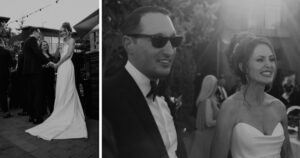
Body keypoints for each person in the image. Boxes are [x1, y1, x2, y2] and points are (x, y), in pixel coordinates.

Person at [103, 6, 187, 158]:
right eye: (158, 40)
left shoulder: (162, 92)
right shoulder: (107, 99)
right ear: (129, 44)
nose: (170, 51)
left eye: (175, 40)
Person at [211, 32, 293, 158]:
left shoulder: (279, 107)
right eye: (260, 59)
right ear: (243, 67)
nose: (269, 65)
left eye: (272, 59)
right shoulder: (230, 108)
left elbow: (288, 154)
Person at [25, 22, 87, 140]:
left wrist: (57, 64)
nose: (61, 33)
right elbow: (57, 55)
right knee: (60, 90)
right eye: (60, 32)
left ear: (68, 31)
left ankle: (70, 114)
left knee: (68, 90)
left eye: (63, 31)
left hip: (67, 66)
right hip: (61, 68)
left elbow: (68, 55)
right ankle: (60, 113)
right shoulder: (63, 42)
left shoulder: (72, 40)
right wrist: (58, 46)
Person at [22, 28, 50, 124]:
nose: (40, 35)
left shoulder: (26, 42)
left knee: (31, 94)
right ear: (34, 33)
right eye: (39, 33)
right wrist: (48, 61)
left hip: (28, 72)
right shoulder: (33, 40)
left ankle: (32, 115)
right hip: (35, 71)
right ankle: (38, 117)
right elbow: (38, 53)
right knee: (38, 94)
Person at [189, 75, 219, 158]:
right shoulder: (207, 101)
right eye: (216, 85)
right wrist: (223, 120)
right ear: (211, 86)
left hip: (204, 137)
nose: (217, 87)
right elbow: (209, 122)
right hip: (207, 138)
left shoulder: (207, 100)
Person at [40, 41, 56, 114]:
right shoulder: (39, 55)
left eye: (46, 45)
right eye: (43, 45)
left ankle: (52, 111)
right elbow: (37, 66)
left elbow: (55, 61)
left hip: (51, 76)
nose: (45, 46)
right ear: (40, 47)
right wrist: (43, 66)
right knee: (43, 94)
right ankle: (43, 111)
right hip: (43, 77)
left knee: (51, 94)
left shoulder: (49, 55)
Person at [0, 38, 13, 118]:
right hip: (3, 76)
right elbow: (10, 64)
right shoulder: (6, 52)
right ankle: (5, 111)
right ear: (2, 43)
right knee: (3, 93)